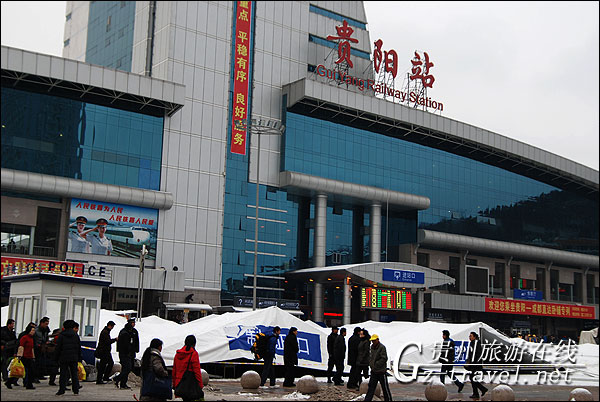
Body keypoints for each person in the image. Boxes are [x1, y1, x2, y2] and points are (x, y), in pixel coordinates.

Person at [173, 335, 204, 402]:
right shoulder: (193, 354)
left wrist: (174, 384)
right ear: (194, 344)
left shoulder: (178, 354)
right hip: (189, 385)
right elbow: (197, 371)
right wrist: (200, 385)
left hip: (178, 384)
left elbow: (174, 371)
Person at [55, 320, 82, 396]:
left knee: (63, 374)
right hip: (73, 357)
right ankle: (76, 390)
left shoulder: (61, 335)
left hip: (63, 357)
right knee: (74, 374)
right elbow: (78, 347)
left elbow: (58, 347)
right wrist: (79, 357)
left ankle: (61, 390)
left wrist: (56, 357)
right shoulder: (75, 335)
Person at [364, 334, 393, 401]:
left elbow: (384, 358)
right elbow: (371, 357)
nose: (373, 342)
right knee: (371, 388)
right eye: (372, 341)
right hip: (374, 371)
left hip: (381, 371)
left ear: (377, 340)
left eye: (374, 340)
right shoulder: (372, 347)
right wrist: (371, 364)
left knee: (385, 388)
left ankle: (388, 399)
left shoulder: (382, 347)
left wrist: (376, 364)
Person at [115, 318, 140, 389]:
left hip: (131, 353)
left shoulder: (134, 331)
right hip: (125, 353)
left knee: (128, 368)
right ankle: (118, 379)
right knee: (127, 368)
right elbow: (122, 344)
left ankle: (122, 383)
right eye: (132, 323)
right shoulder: (124, 332)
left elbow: (136, 341)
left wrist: (136, 349)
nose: (134, 324)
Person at [465, 331, 488, 399]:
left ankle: (478, 392)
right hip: (472, 364)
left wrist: (475, 364)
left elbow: (478, 355)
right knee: (472, 378)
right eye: (469, 336)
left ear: (474, 337)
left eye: (471, 336)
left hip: (475, 364)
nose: (469, 337)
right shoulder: (472, 343)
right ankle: (480, 391)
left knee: (472, 378)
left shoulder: (477, 344)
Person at [16, 322, 37, 390]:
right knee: (24, 370)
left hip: (29, 356)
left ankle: (28, 384)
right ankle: (27, 383)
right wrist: (19, 355)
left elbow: (32, 348)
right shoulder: (24, 337)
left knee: (30, 371)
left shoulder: (32, 338)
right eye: (32, 330)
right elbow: (21, 346)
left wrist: (33, 356)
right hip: (24, 356)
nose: (33, 332)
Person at [1, 319, 18, 388]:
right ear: (9, 324)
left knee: (8, 363)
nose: (13, 325)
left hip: (10, 349)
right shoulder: (3, 331)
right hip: (4, 349)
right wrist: (2, 344)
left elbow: (15, 340)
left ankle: (8, 376)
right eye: (12, 324)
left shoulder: (12, 332)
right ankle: (5, 376)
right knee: (4, 362)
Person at [33, 316, 50, 382]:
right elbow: (34, 339)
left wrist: (46, 342)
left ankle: (40, 374)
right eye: (46, 324)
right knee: (36, 363)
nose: (46, 325)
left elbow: (46, 338)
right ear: (41, 323)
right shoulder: (36, 330)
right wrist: (37, 345)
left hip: (43, 348)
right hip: (37, 348)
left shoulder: (46, 330)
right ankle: (35, 376)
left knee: (42, 362)